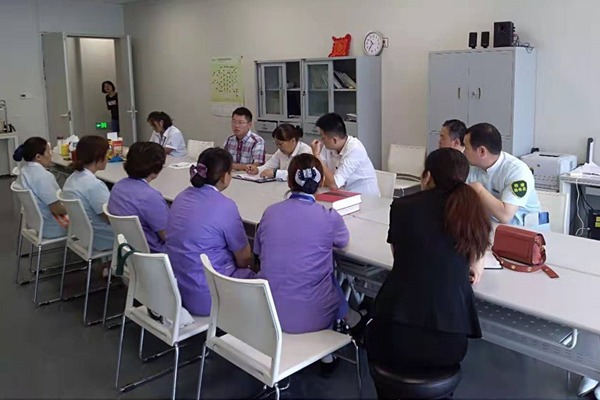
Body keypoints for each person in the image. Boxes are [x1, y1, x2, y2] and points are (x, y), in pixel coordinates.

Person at [366, 148, 491, 392]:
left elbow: (399, 256)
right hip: (449, 344)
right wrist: (474, 264)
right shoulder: (471, 209)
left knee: (375, 338)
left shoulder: (403, 206)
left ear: (428, 176)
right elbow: (479, 249)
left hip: (395, 334)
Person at [166, 147, 255, 315]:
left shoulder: (181, 197)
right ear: (225, 176)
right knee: (259, 277)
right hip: (206, 297)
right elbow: (244, 258)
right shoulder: (225, 206)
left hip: (173, 289)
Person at [464, 123, 545, 228]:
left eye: (466, 148)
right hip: (492, 227)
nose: (463, 152)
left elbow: (505, 216)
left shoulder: (517, 170)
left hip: (526, 230)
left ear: (482, 151)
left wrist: (479, 190)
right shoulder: (473, 166)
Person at [108, 142, 169, 253]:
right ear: (157, 169)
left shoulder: (117, 187)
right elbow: (167, 236)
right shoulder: (151, 197)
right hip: (155, 254)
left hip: (128, 251)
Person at [63, 135, 113, 252]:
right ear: (99, 158)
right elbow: (110, 218)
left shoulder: (71, 179)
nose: (108, 158)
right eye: (106, 155)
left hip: (84, 236)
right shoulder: (95, 185)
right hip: (103, 239)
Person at [310, 113, 380, 196]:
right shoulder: (329, 146)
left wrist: (316, 155)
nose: (321, 140)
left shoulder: (355, 149)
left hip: (366, 198)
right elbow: (318, 175)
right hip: (343, 195)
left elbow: (333, 185)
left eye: (323, 137)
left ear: (334, 140)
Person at [13, 137, 67, 239]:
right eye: (48, 152)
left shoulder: (24, 171)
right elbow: (57, 209)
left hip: (36, 224)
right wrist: (75, 208)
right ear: (38, 157)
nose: (50, 155)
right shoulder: (44, 176)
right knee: (89, 217)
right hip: (53, 227)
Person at [247, 123, 311, 181]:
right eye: (276, 143)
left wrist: (275, 173)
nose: (278, 147)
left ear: (292, 141)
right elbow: (268, 166)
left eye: (280, 144)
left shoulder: (305, 152)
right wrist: (257, 170)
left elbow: (300, 174)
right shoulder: (281, 151)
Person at [223, 107, 265, 171]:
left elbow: (255, 167)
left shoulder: (257, 141)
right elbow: (221, 162)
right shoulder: (229, 140)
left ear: (249, 125)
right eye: (234, 122)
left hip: (249, 175)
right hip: (231, 175)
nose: (236, 125)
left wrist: (231, 166)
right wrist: (243, 167)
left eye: (240, 122)